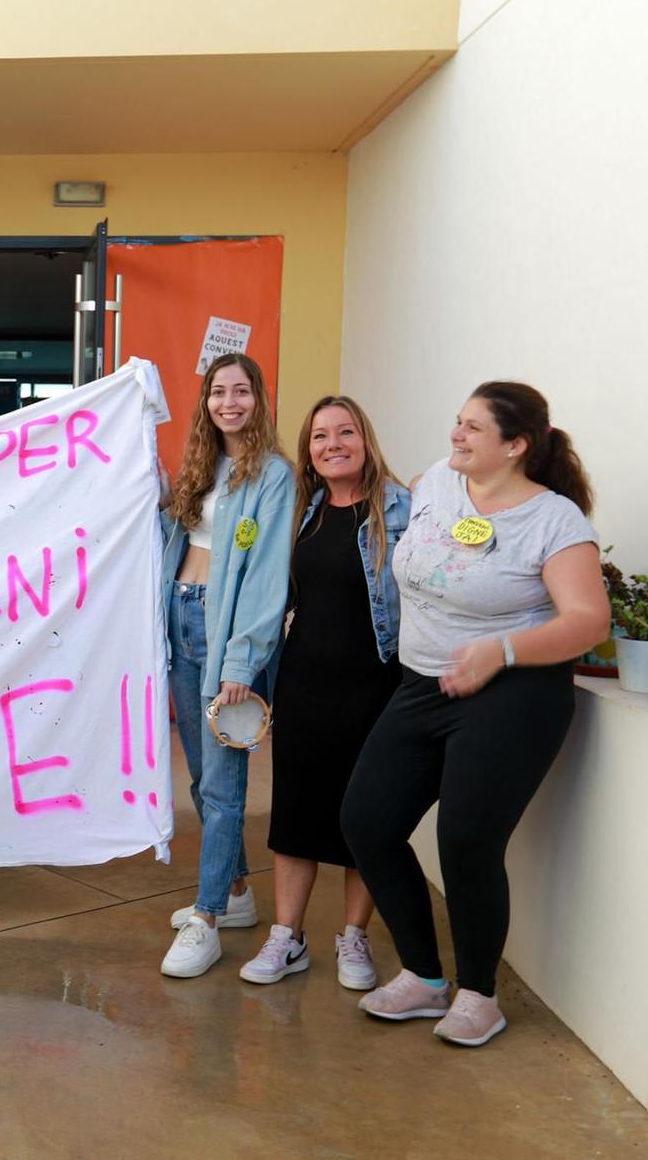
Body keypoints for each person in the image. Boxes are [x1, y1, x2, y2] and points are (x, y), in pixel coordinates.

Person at [340, 381, 609, 1046]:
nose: (456, 434)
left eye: (473, 428)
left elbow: (588, 621)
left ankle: (479, 994)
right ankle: (426, 977)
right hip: (425, 682)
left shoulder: (555, 520)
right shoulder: (435, 482)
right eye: (457, 422)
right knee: (366, 821)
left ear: (516, 446)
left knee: (465, 841)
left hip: (513, 694)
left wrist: (503, 648)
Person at [238, 396, 408, 990]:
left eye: (345, 432)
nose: (332, 444)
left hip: (378, 686)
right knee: (296, 812)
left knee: (363, 815)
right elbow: (267, 594)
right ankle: (288, 937)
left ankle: (353, 937)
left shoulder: (403, 509)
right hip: (305, 683)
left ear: (366, 438)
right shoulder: (301, 512)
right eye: (318, 437)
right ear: (308, 450)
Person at [157, 353, 296, 979]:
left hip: (227, 635)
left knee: (222, 783)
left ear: (258, 399)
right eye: (218, 392)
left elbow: (268, 575)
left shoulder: (273, 475)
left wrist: (242, 658)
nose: (229, 402)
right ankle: (237, 893)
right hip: (181, 617)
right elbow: (171, 537)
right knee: (201, 777)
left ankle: (208, 917)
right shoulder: (201, 465)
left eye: (241, 391)